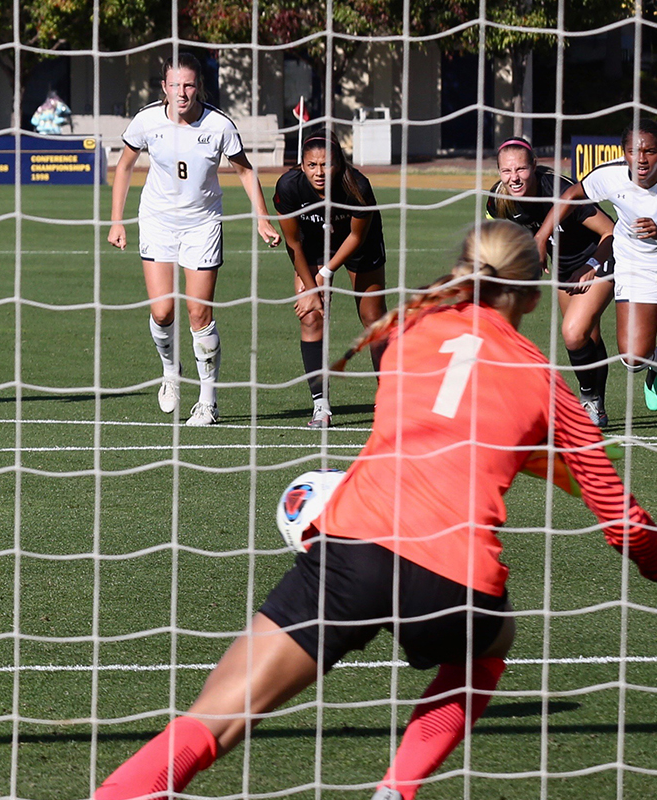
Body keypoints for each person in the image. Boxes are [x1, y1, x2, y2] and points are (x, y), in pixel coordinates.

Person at [94, 221, 657, 800]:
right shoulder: (542, 380)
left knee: (217, 715)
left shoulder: (407, 329)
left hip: (352, 552)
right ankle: (398, 786)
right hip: (455, 582)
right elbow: (623, 520)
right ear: (535, 296)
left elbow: (439, 413)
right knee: (491, 644)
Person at [108, 54, 281, 426]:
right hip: (156, 222)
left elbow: (245, 172)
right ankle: (171, 372)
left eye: (188, 85)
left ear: (198, 85)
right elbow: (123, 166)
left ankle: (208, 400)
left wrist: (262, 219)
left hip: (202, 225)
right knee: (162, 312)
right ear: (164, 88)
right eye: (174, 85)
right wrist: (116, 221)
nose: (181, 93)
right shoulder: (146, 121)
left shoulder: (219, 125)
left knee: (199, 314)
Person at [488, 136, 615, 426]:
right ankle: (597, 409)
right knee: (586, 337)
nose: (514, 178)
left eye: (521, 169)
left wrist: (590, 265)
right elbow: (502, 232)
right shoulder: (500, 199)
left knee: (572, 333)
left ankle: (586, 400)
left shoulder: (559, 191)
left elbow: (611, 231)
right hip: (563, 267)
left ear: (534, 165)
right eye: (506, 171)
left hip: (601, 256)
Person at [537, 119, 657, 413]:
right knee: (632, 359)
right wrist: (541, 237)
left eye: (650, 151)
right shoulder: (611, 175)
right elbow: (571, 195)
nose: (641, 159)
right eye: (633, 151)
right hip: (635, 263)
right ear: (623, 152)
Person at [272, 135, 388, 428]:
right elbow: (294, 243)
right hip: (312, 247)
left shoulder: (357, 187)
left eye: (326, 164)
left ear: (339, 164)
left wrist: (325, 275)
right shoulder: (288, 187)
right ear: (301, 165)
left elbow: (357, 237)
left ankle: (389, 400)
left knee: (374, 319)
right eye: (312, 165)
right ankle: (320, 406)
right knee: (310, 316)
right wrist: (312, 290)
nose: (319, 172)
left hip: (358, 245)